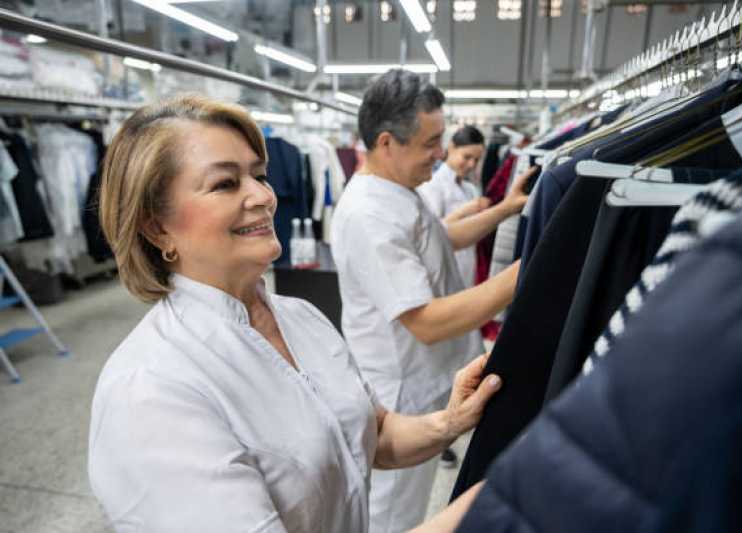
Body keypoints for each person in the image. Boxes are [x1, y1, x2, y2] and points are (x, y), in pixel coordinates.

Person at [87, 95, 501, 533]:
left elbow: (370, 434)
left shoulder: (299, 317)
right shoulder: (151, 391)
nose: (264, 196)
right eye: (226, 184)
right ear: (157, 226)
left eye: (259, 176)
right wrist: (489, 506)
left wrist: (447, 423)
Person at [330, 70, 533, 532]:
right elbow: (426, 322)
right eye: (430, 143)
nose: (441, 154)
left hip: (425, 379)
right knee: (393, 516)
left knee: (412, 504)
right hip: (400, 393)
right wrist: (528, 272)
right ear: (387, 143)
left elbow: (440, 239)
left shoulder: (399, 191)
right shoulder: (369, 214)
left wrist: (506, 208)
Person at [417, 125, 488, 287]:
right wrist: (465, 211)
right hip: (444, 269)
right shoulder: (433, 185)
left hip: (468, 267)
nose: (471, 164)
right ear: (451, 148)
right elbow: (430, 232)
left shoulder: (470, 189)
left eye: (476, 160)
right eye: (467, 157)